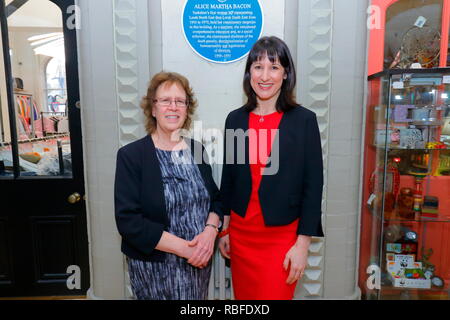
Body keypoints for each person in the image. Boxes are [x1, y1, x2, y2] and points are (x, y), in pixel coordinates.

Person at [218, 36, 324, 300]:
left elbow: (313, 187)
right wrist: (225, 230)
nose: (265, 76)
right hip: (241, 238)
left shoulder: (304, 121)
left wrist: (303, 245)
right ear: (249, 73)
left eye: (274, 67)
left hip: (282, 240)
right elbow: (229, 180)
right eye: (258, 66)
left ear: (285, 73)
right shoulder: (235, 119)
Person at [114, 71, 222, 300]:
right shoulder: (131, 156)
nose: (173, 107)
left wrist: (210, 233)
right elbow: (129, 222)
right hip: (154, 269)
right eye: (165, 100)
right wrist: (186, 249)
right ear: (153, 109)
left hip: (197, 267)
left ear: (187, 109)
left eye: (180, 101)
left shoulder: (196, 150)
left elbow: (215, 199)